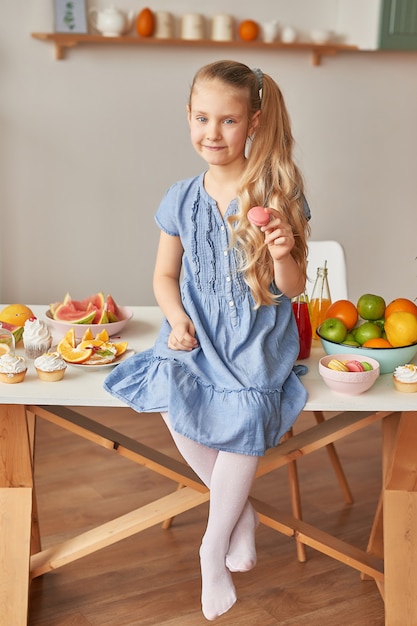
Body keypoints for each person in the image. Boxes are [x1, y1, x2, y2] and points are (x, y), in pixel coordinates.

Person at [104, 60, 311, 621]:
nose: (212, 134)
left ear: (254, 123)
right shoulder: (180, 198)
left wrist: (284, 251)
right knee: (170, 391)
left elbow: (291, 290)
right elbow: (164, 278)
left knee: (244, 420)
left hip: (256, 341)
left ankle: (210, 549)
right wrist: (173, 319)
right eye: (202, 118)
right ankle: (238, 515)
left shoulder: (277, 191)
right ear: (188, 117)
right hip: (198, 335)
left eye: (228, 121)